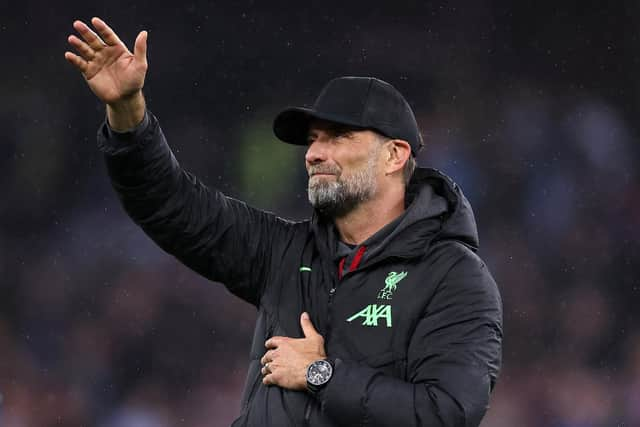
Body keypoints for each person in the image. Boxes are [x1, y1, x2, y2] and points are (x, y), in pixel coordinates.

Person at [65, 17, 503, 427]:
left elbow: (447, 413)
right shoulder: (285, 252)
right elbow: (172, 206)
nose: (313, 153)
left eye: (338, 137)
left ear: (395, 155)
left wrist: (320, 374)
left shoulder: (454, 276)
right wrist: (127, 113)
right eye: (313, 140)